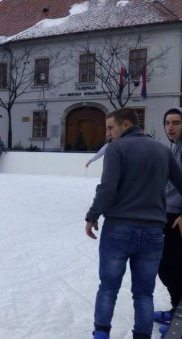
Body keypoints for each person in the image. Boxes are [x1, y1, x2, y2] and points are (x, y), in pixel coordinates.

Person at [84, 108, 182, 339]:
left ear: (126, 125)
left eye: (111, 127)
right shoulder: (162, 150)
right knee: (144, 293)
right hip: (153, 232)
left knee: (108, 287)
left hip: (119, 229)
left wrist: (92, 216)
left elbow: (107, 189)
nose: (108, 133)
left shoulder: (117, 148)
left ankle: (101, 334)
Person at [154, 108, 182, 335]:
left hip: (178, 217)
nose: (170, 127)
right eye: (167, 122)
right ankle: (176, 310)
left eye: (176, 122)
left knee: (171, 266)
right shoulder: (175, 148)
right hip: (168, 214)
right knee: (167, 266)